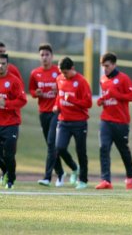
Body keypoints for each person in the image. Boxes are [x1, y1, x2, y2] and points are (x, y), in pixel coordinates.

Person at [29, 43, 76, 187]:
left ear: (52, 56)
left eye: (47, 55)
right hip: (43, 113)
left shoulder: (59, 72)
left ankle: (47, 177)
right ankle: (62, 172)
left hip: (56, 112)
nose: (44, 58)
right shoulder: (35, 73)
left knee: (51, 143)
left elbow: (68, 85)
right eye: (42, 55)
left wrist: (59, 93)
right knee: (51, 146)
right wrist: (35, 93)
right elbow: (31, 90)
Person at [95, 52, 132, 190]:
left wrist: (116, 94)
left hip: (121, 122)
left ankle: (130, 176)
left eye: (107, 66)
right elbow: (107, 96)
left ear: (114, 64)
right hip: (106, 119)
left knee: (123, 150)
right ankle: (106, 180)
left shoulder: (123, 78)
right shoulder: (102, 79)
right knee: (103, 148)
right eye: (103, 66)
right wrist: (102, 100)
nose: (105, 69)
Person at [53, 57, 92, 189]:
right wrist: (56, 105)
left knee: (81, 151)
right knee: (59, 148)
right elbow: (59, 95)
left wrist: (73, 100)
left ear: (72, 69)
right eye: (62, 72)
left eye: (65, 72)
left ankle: (83, 180)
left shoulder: (81, 82)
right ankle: (74, 168)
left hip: (79, 122)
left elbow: (88, 103)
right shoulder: (59, 79)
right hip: (63, 120)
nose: (63, 75)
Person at [0, 53, 27, 189]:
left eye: (3, 63)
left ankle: (11, 180)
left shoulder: (14, 81)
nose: (1, 66)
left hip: (11, 123)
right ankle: (5, 172)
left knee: (9, 155)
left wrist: (6, 103)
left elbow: (23, 100)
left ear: (7, 65)